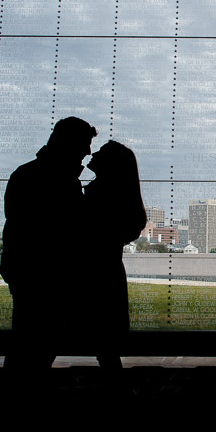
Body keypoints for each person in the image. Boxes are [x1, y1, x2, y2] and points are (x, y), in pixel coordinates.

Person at [0, 116, 97, 370]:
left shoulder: (29, 175)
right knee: (35, 349)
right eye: (85, 144)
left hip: (31, 277)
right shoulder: (58, 180)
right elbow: (65, 232)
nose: (88, 151)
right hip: (44, 279)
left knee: (29, 347)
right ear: (69, 143)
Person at [80, 140, 147, 368]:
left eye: (101, 152)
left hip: (93, 273)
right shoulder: (116, 196)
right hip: (106, 272)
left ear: (111, 163)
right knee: (106, 345)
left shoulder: (100, 194)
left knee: (103, 343)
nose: (93, 153)